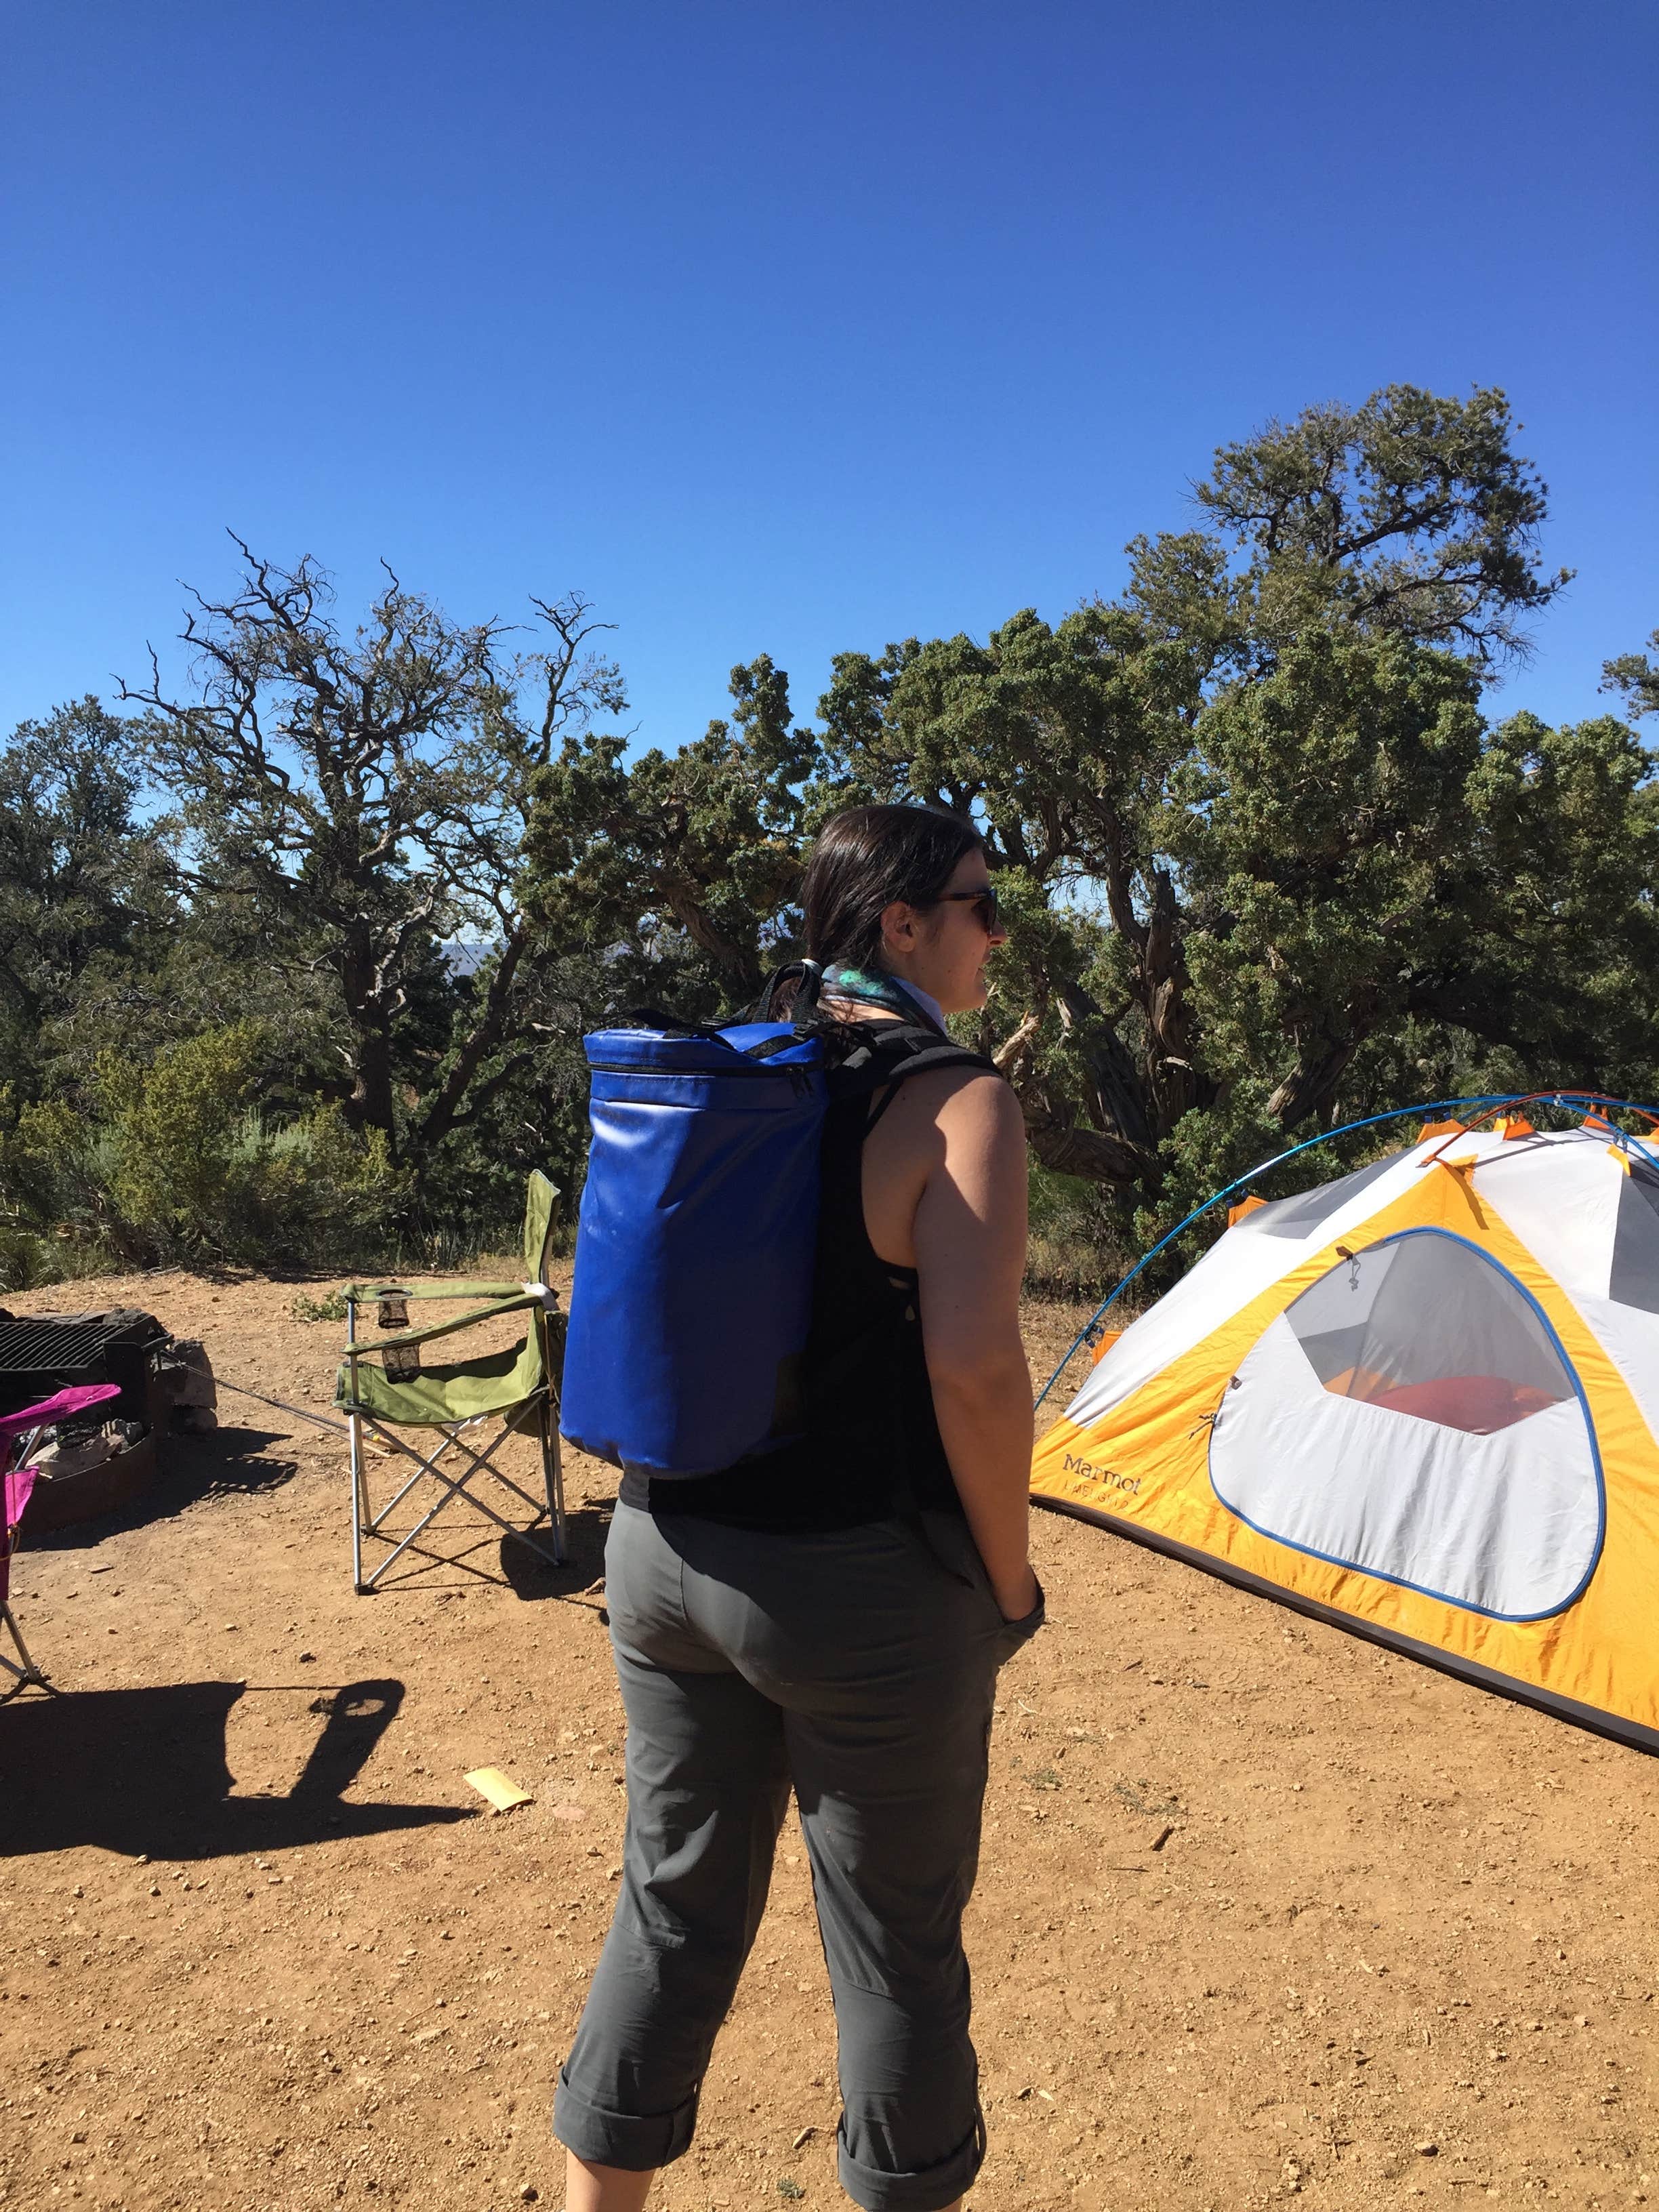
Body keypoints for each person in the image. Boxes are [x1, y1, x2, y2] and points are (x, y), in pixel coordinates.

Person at [554, 803, 1042, 2212]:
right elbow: (975, 1372)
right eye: (979, 904)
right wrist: (1006, 1583)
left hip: (661, 1551)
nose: (997, 932)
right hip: (857, 1590)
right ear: (901, 925)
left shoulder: (734, 1067)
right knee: (895, 1950)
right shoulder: (957, 1103)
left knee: (671, 1905)